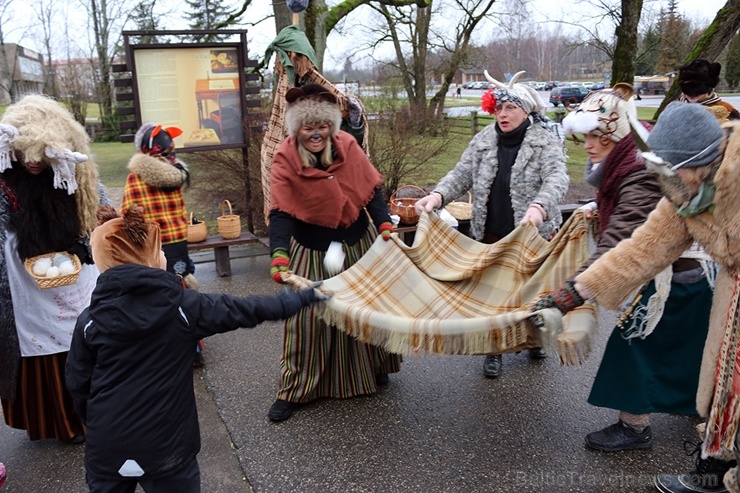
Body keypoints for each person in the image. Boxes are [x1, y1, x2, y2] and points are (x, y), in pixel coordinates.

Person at [532, 102, 740, 493]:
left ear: (700, 162)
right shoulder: (684, 191)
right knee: (730, 389)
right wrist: (573, 293)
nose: (666, 182)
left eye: (670, 171)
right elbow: (642, 248)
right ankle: (715, 473)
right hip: (733, 298)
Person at [65, 204, 326, 493]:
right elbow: (246, 309)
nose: (164, 255)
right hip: (167, 446)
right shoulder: (185, 308)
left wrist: (93, 421)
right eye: (160, 250)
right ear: (148, 257)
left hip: (107, 444)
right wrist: (298, 299)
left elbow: (78, 381)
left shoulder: (89, 321)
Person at [560, 84, 715, 452]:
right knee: (693, 347)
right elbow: (638, 225)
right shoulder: (628, 160)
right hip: (680, 271)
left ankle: (635, 426)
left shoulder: (642, 169)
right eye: (586, 136)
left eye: (597, 135)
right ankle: (701, 408)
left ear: (616, 133)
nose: (589, 144)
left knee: (634, 344)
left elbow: (623, 239)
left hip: (679, 276)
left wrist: (578, 287)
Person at [415, 70, 569, 379]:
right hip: (491, 232)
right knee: (493, 294)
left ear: (526, 110)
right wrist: (437, 196)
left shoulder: (545, 141)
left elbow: (557, 178)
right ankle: (494, 348)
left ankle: (534, 338)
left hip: (532, 233)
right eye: (499, 108)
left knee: (533, 291)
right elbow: (461, 173)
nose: (503, 113)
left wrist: (539, 207)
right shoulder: (483, 140)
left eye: (510, 107)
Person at [267, 83, 402, 422]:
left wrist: (384, 223)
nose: (316, 133)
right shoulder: (285, 157)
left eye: (322, 125)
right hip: (314, 249)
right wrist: (279, 254)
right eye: (308, 127)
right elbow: (281, 211)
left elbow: (371, 190)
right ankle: (295, 389)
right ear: (297, 128)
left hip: (358, 243)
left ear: (332, 126)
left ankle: (374, 368)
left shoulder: (348, 145)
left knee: (367, 308)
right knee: (307, 321)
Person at [0, 94, 109, 443]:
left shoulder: (78, 174)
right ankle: (61, 423)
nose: (33, 163)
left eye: (42, 154)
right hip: (24, 284)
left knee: (85, 339)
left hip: (74, 276)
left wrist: (89, 236)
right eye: (26, 153)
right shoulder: (5, 179)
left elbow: (103, 213)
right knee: (43, 347)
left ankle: (99, 413)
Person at [121, 123, 196, 289]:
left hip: (152, 242)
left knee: (158, 285)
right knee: (181, 279)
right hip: (178, 239)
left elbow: (128, 214)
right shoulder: (175, 173)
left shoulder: (136, 177)